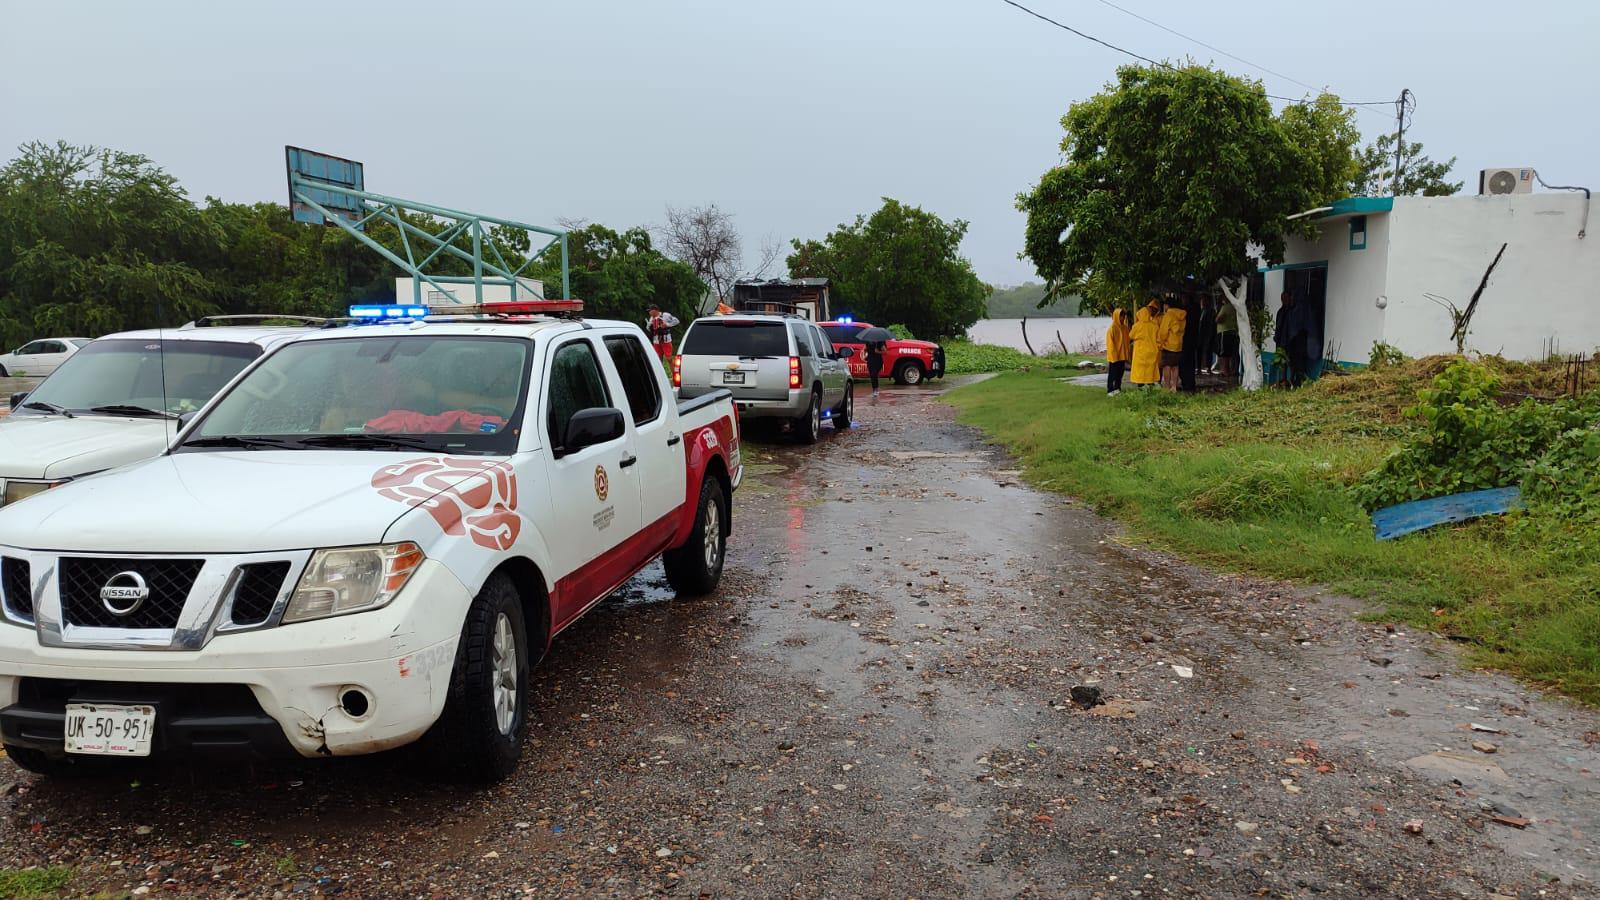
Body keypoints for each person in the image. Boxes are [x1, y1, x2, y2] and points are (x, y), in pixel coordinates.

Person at [1274, 291, 1308, 387]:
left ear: (1290, 298)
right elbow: (1278, 326)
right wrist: (1277, 337)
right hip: (1281, 341)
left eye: (1285, 298)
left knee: (1293, 361)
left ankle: (1294, 379)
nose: (1283, 300)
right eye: (1282, 298)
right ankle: (1284, 379)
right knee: (1282, 361)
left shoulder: (1294, 311)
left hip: (1293, 342)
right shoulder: (1280, 312)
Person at [1128, 298, 1161, 387]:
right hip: (1152, 352)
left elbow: (1130, 336)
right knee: (1150, 371)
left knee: (1140, 372)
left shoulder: (1136, 326)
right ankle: (1151, 388)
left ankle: (1140, 389)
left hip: (1140, 353)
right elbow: (1159, 340)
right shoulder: (1154, 326)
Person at [1156, 296, 1186, 391]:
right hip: (1179, 345)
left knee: (1167, 366)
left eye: (1164, 305)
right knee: (1175, 366)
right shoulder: (1182, 315)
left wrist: (1160, 343)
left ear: (1167, 305)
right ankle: (1174, 387)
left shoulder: (1168, 315)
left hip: (1168, 345)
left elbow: (1163, 332)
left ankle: (1167, 386)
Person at [1103, 308, 1132, 395]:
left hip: (1122, 355)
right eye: (1120, 316)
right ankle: (1110, 389)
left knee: (1120, 373)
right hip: (1114, 356)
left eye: (1123, 316)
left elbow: (1127, 341)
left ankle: (1117, 388)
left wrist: (1127, 353)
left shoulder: (1125, 328)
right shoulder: (1112, 329)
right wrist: (1114, 355)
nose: (1122, 318)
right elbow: (1110, 344)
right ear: (1116, 317)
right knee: (1113, 373)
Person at [1179, 293, 1202, 392]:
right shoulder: (1197, 310)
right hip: (1193, 339)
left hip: (1185, 339)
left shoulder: (1185, 312)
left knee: (1184, 362)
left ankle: (1186, 383)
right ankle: (1190, 383)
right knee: (1191, 362)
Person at [1215, 298, 1239, 382]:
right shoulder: (1236, 306)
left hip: (1224, 331)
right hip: (1233, 331)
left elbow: (1218, 319)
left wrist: (1217, 318)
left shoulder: (1225, 307)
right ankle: (1231, 371)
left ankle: (1225, 371)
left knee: (1224, 353)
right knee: (1231, 353)